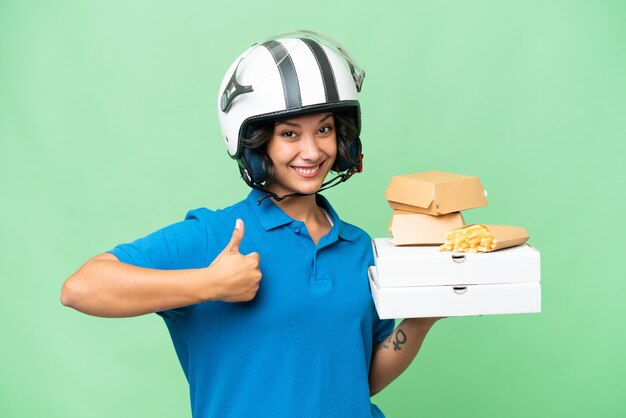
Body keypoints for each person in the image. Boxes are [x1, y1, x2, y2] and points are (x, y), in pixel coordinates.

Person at [61, 31, 441, 418]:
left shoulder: (359, 247)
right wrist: (209, 284)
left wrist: (420, 321)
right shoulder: (215, 235)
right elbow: (81, 288)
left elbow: (356, 378)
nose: (312, 151)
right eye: (290, 134)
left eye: (324, 129)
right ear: (256, 144)